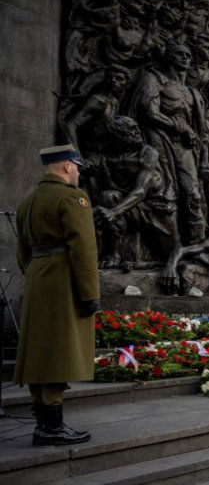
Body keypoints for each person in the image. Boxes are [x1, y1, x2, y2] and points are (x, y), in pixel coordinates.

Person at [14, 144, 99, 446]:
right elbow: (84, 249)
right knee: (58, 352)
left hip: (37, 279)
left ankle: (44, 424)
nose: (77, 172)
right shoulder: (72, 198)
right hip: (64, 282)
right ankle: (52, 427)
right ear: (66, 166)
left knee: (39, 352)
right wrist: (89, 293)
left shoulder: (28, 203)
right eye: (76, 166)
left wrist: (38, 274)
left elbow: (22, 255)